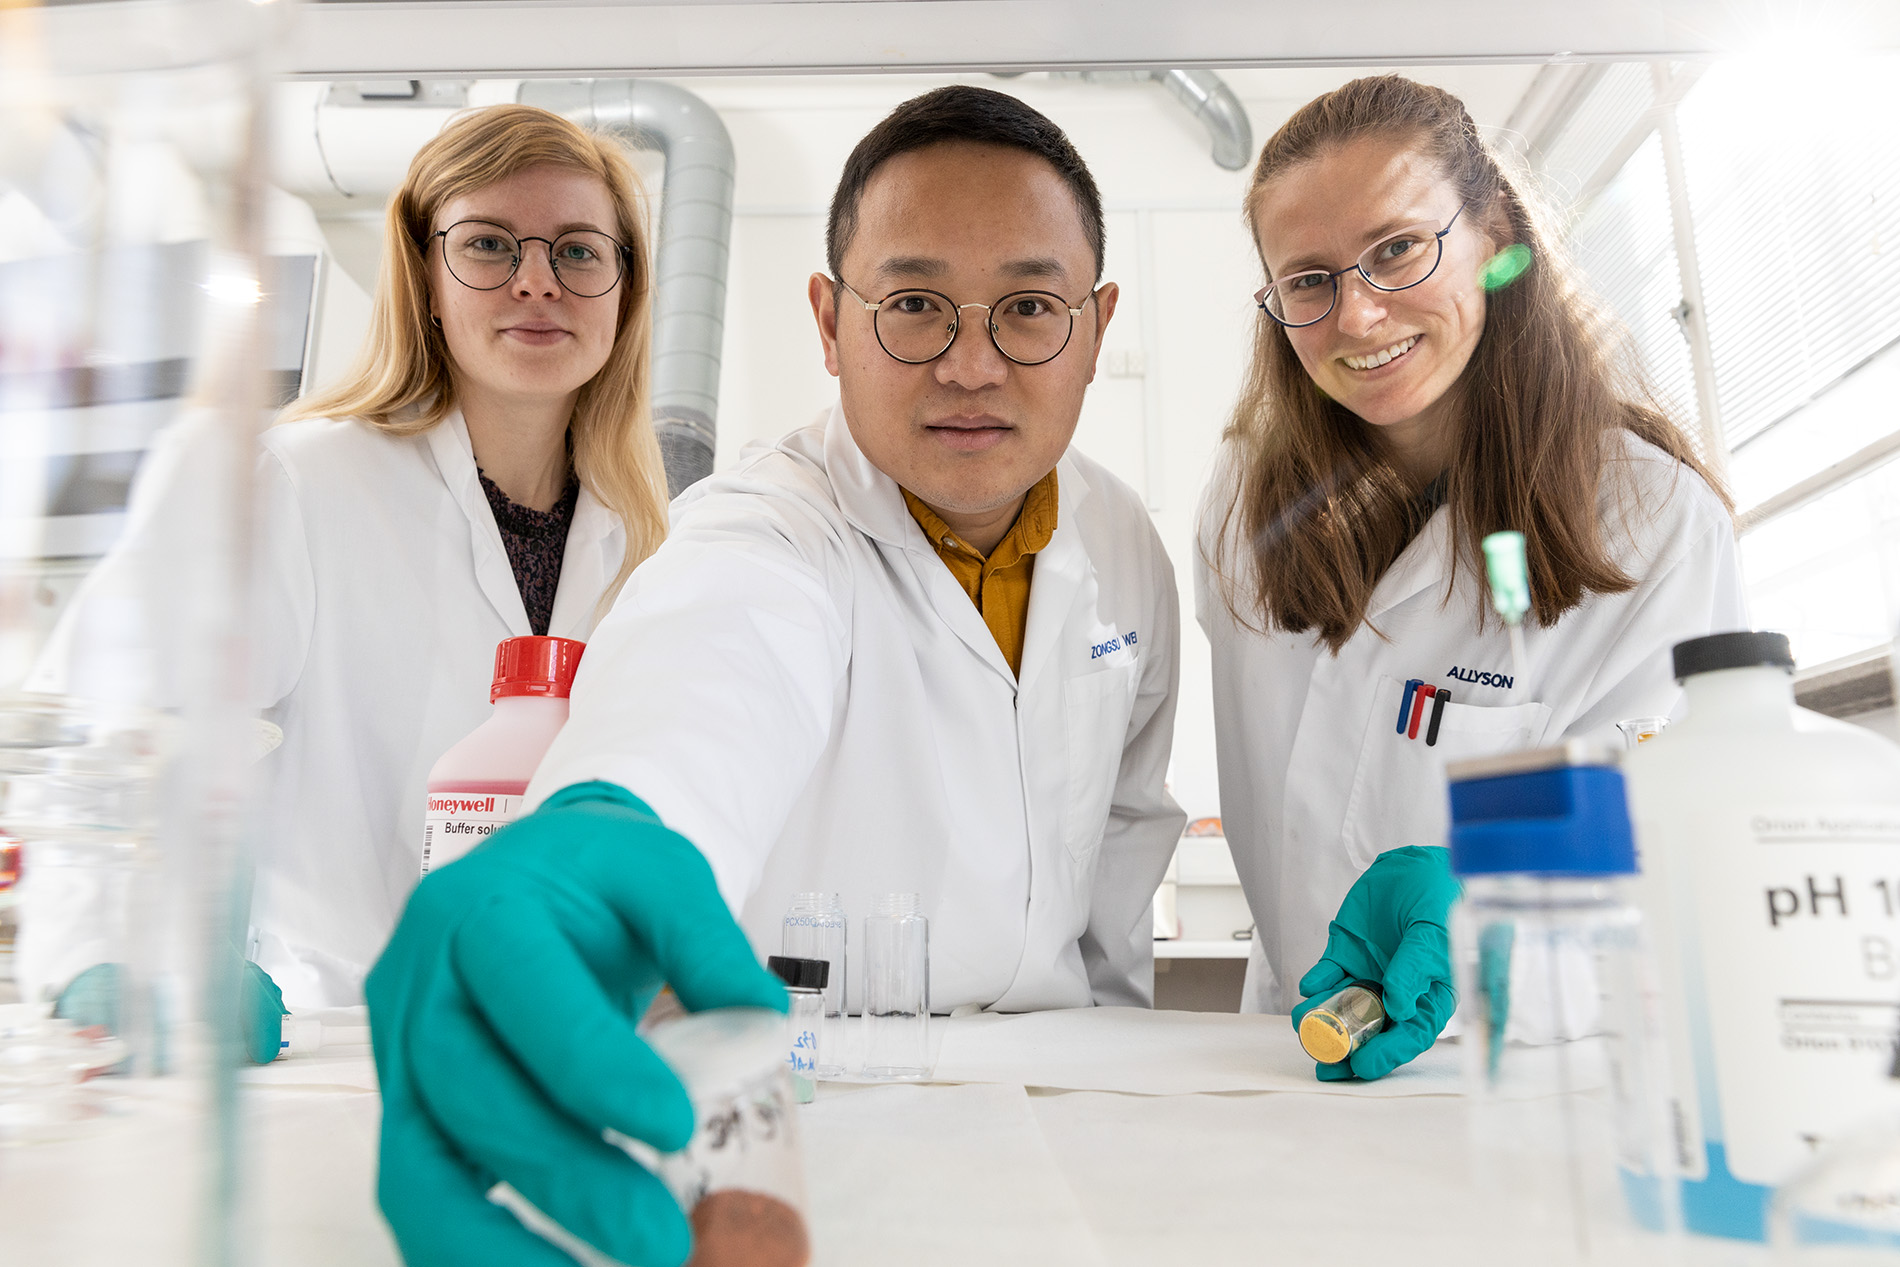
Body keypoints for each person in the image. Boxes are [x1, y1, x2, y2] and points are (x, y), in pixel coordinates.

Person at [366, 85, 1183, 1266]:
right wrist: (610, 807)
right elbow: (713, 663)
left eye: (1027, 308)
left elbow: (1121, 837)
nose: (969, 363)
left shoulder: (1119, 541)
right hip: (825, 1116)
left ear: (1096, 325)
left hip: (1077, 1109)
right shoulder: (767, 525)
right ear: (828, 319)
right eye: (912, 306)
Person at [26, 104, 670, 1010]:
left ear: (625, 290)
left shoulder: (643, 544)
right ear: (424, 277)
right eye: (489, 246)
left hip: (552, 1030)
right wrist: (98, 970)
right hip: (330, 1037)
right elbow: (115, 746)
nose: (537, 281)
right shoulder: (288, 480)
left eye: (577, 250)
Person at [1195, 75, 1746, 1079]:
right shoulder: (1244, 509)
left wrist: (1483, 936)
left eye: (1397, 249)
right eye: (1308, 281)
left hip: (1521, 1078)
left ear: (1492, 233)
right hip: (1283, 1072)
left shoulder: (1649, 521)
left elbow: (1677, 890)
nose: (1357, 315)